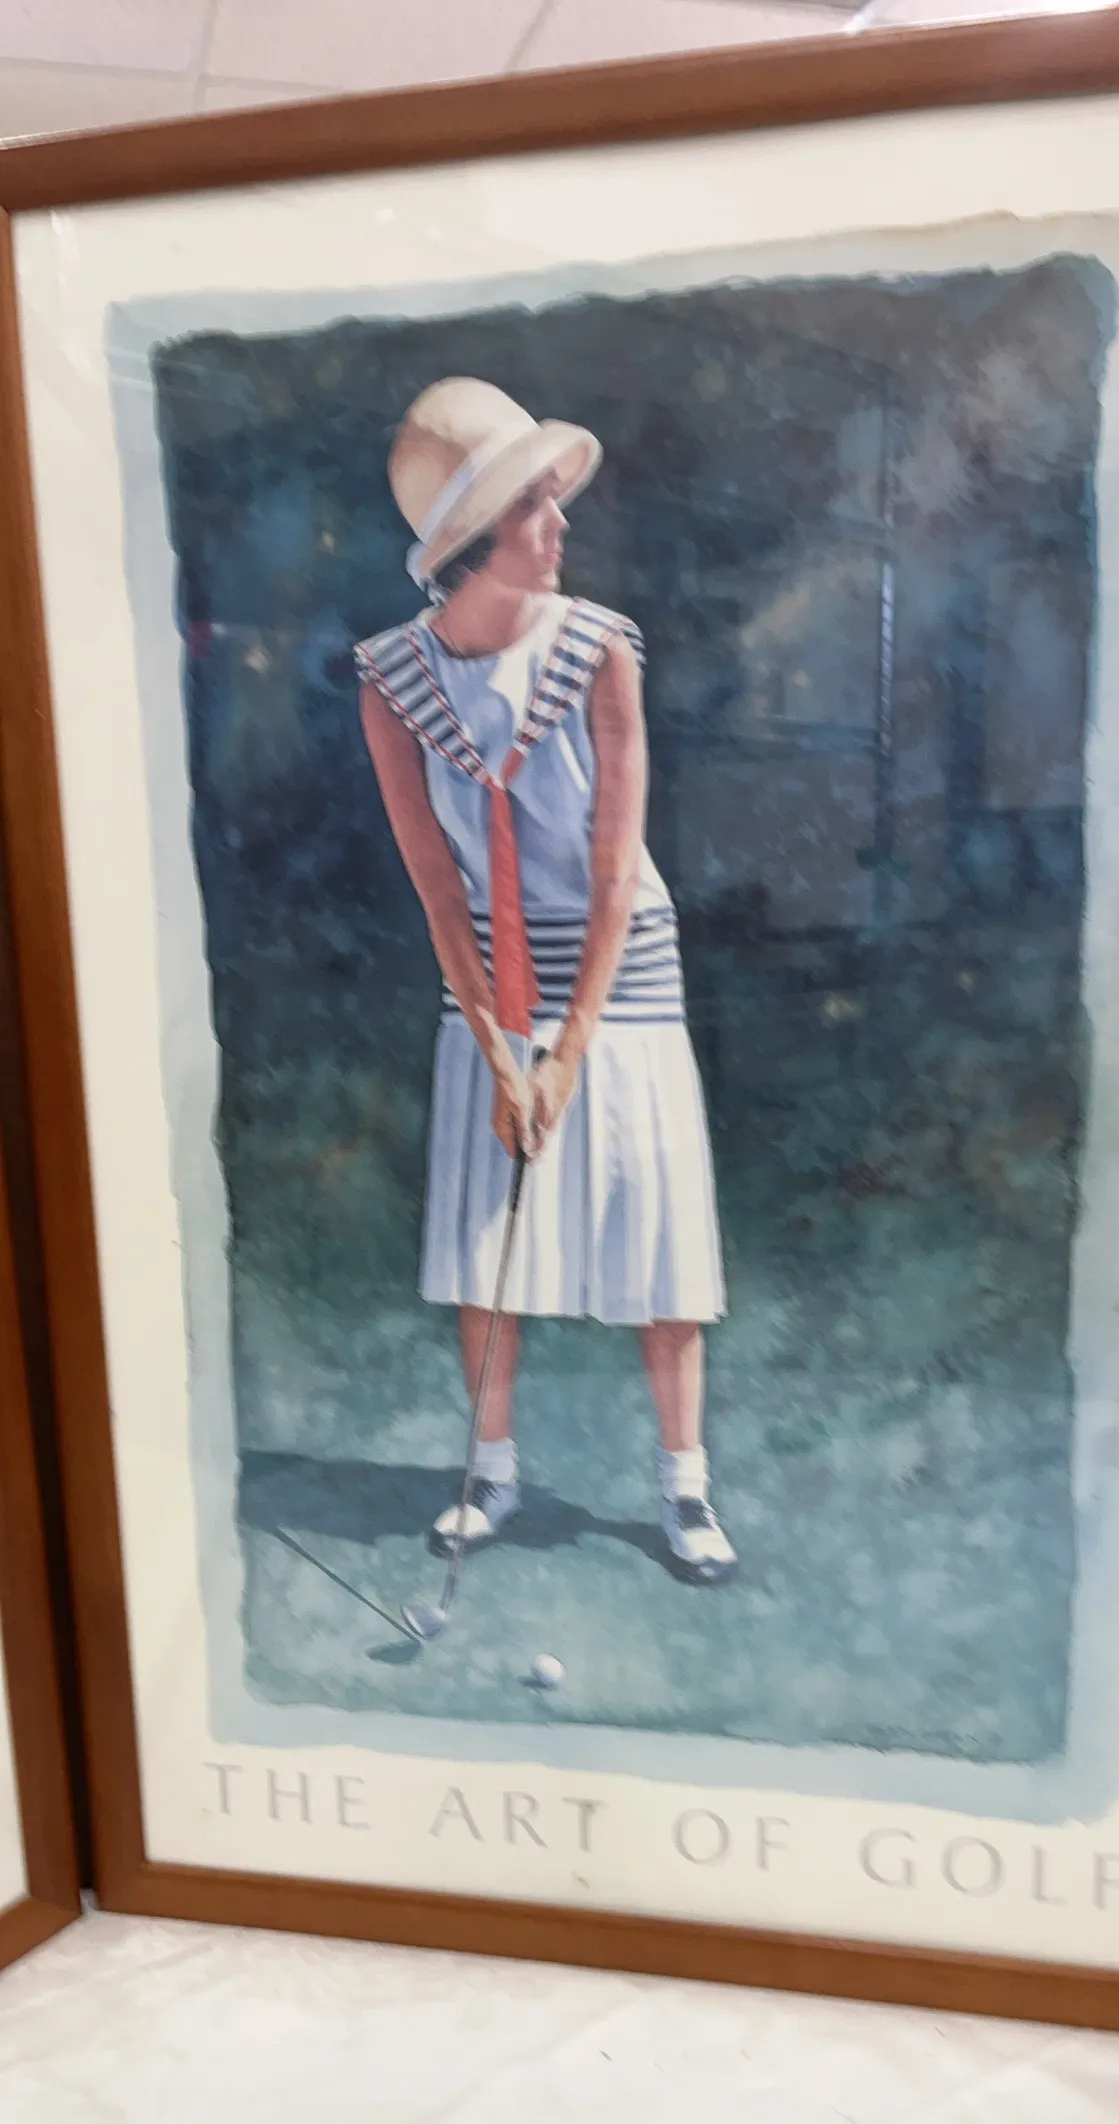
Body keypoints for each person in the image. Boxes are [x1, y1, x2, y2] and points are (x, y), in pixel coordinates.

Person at [356, 376, 736, 1587]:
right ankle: (490, 1470)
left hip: (618, 970)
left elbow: (616, 867)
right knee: (487, 1236)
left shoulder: (597, 648)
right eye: (532, 505)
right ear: (473, 541)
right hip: (485, 972)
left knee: (656, 1236)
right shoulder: (390, 681)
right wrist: (496, 1049)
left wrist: (565, 1053)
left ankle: (684, 1487)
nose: (559, 522)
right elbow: (435, 885)